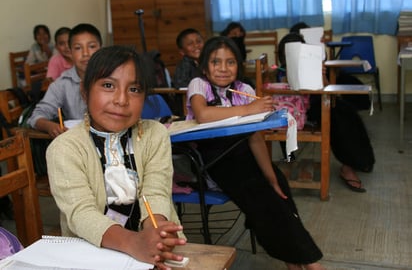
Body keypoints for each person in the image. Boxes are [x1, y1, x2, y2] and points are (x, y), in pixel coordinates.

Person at [185, 36, 324, 270]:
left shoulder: (244, 89)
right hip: (213, 163)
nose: (222, 68)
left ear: (238, 65)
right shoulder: (199, 85)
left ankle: (295, 261)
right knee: (261, 197)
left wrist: (271, 177)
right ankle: (308, 263)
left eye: (230, 62)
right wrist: (248, 110)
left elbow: (256, 138)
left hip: (243, 155)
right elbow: (203, 115)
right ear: (204, 67)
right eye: (215, 62)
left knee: (278, 188)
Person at [46, 45, 186, 269]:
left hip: (147, 247)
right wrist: (135, 243)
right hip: (91, 253)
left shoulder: (155, 134)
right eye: (108, 85)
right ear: (85, 91)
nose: (121, 100)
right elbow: (81, 214)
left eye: (134, 89)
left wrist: (155, 232)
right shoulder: (64, 148)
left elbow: (156, 191)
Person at [282, 23, 375, 193]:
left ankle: (362, 160)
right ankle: (349, 166)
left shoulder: (310, 61)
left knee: (347, 113)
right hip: (301, 110)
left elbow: (325, 89)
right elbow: (285, 94)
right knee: (339, 119)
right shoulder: (281, 71)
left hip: (319, 101)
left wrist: (321, 74)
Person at [28, 23, 102, 138]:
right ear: (70, 52)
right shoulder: (62, 84)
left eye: (92, 46)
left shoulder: (114, 77)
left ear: (101, 49)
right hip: (80, 144)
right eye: (78, 48)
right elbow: (36, 116)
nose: (86, 53)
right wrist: (49, 126)